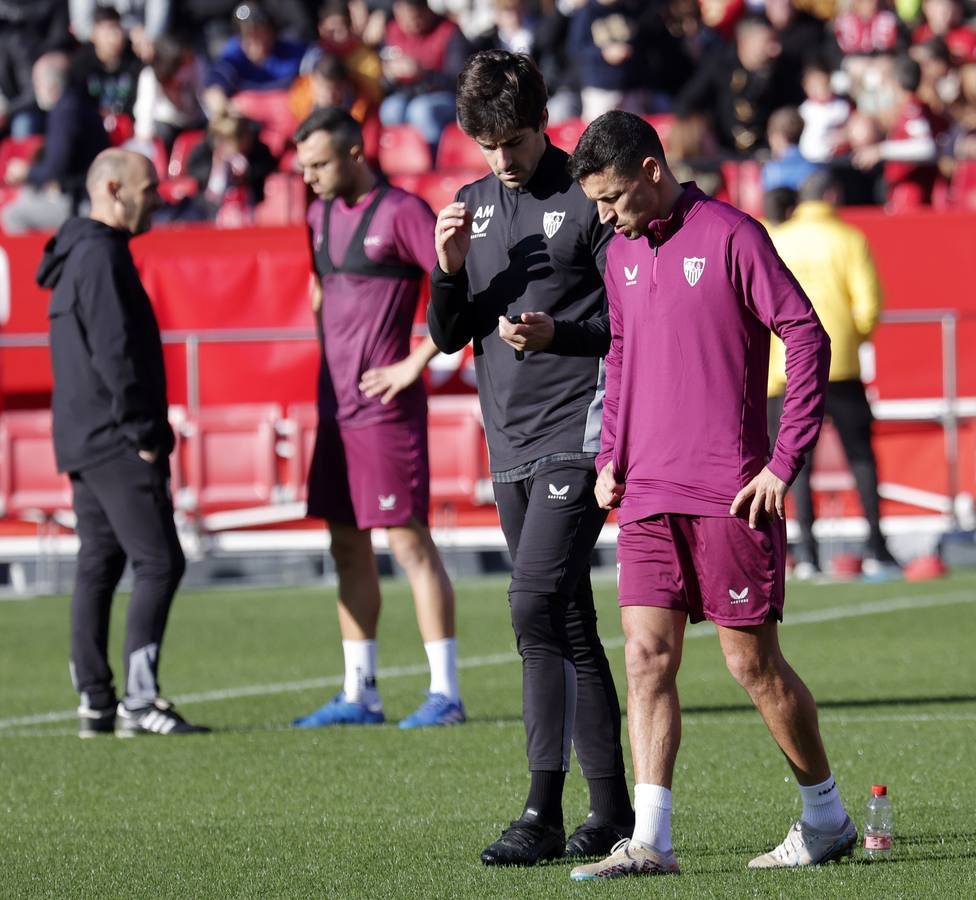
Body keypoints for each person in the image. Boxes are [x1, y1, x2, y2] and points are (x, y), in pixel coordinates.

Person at [566, 111, 855, 879]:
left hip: (731, 494)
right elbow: (621, 357)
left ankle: (825, 816)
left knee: (751, 665)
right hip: (647, 493)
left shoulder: (733, 235)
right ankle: (651, 839)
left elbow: (807, 334)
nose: (606, 215)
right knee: (645, 657)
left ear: (654, 171)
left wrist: (782, 462)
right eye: (597, 201)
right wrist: (612, 455)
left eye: (614, 197)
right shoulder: (620, 254)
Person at [428, 49, 633, 866]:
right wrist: (446, 272)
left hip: (577, 432)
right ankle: (610, 812)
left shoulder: (582, 197)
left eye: (512, 141)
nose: (501, 160)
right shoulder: (472, 207)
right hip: (506, 438)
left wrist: (563, 333)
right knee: (567, 621)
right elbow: (450, 337)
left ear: (541, 124)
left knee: (529, 603)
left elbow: (628, 324)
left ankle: (541, 809)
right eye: (486, 145)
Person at [291, 107, 465, 730]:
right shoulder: (314, 215)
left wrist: (415, 361)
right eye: (303, 166)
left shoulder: (402, 212)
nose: (308, 177)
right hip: (335, 411)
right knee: (345, 544)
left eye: (318, 164)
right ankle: (359, 692)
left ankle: (445, 692)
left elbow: (456, 290)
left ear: (355, 154)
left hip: (385, 412)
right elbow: (321, 293)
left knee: (407, 541)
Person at [36, 148, 207, 738]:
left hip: (83, 438)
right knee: (161, 560)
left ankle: (96, 698)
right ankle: (139, 700)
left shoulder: (77, 256)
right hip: (114, 437)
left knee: (99, 563)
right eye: (148, 187)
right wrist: (144, 433)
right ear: (113, 189)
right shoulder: (100, 257)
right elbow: (117, 355)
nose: (157, 197)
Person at [767, 171, 898, 579]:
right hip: (838, 364)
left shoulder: (777, 238)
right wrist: (849, 339)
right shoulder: (849, 239)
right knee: (861, 456)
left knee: (791, 464)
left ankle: (804, 554)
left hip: (784, 367)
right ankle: (877, 547)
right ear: (832, 195)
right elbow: (868, 306)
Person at [1, 52, 108, 235]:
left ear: (50, 84)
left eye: (37, 83)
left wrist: (26, 172)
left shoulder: (65, 112)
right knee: (25, 198)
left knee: (11, 215)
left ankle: (40, 262)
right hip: (86, 195)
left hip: (79, 203)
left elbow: (56, 170)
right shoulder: (79, 102)